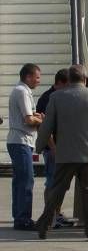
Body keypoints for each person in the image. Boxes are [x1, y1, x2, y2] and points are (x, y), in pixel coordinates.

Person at [35, 65, 88, 241]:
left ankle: (44, 226)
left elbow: (46, 126)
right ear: (85, 79)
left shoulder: (56, 97)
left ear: (69, 79)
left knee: (56, 192)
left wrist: (39, 147)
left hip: (65, 154)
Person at [36, 69, 73, 229]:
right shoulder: (48, 98)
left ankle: (56, 214)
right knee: (52, 182)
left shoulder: (59, 97)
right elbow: (44, 126)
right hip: (53, 147)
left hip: (61, 147)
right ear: (61, 83)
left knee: (60, 183)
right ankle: (50, 215)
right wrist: (53, 147)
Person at [7, 64, 43, 231]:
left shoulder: (22, 90)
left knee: (20, 181)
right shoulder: (22, 91)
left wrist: (36, 117)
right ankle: (23, 219)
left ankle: (19, 217)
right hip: (20, 141)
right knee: (26, 181)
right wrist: (43, 120)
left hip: (19, 141)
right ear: (28, 77)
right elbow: (28, 120)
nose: (39, 80)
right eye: (37, 77)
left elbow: (29, 116)